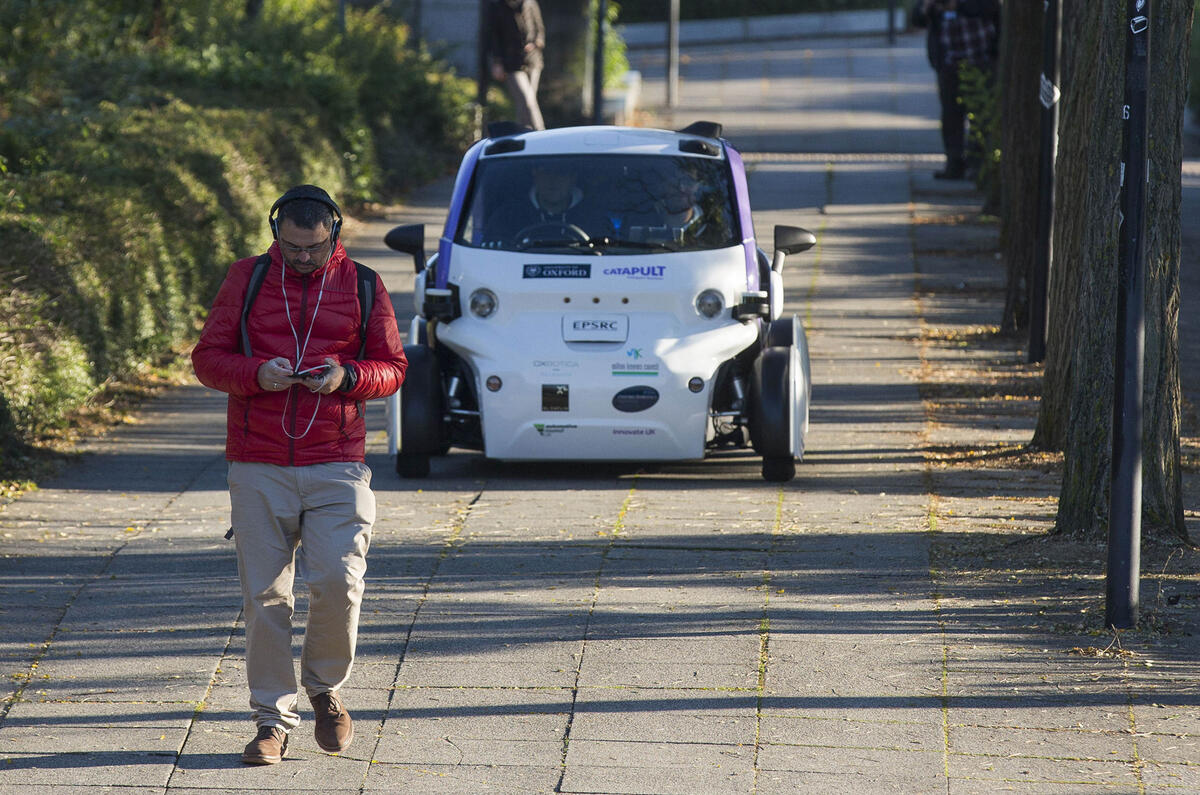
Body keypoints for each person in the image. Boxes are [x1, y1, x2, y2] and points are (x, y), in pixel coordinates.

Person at [191, 185, 407, 765]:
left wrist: (346, 376)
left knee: (339, 582)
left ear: (332, 234)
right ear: (275, 232)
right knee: (265, 597)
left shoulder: (363, 282)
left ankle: (325, 691)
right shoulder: (248, 277)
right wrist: (257, 374)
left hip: (337, 461)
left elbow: (393, 368)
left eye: (312, 248)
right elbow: (207, 359)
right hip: (258, 462)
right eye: (289, 246)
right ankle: (270, 720)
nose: (301, 257)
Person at [911, 0, 1001, 180]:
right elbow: (917, 19)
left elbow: (992, 9)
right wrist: (926, 8)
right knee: (951, 116)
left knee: (981, 116)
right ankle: (954, 164)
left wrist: (957, 6)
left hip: (980, 61)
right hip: (949, 64)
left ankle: (978, 166)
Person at [484, 162, 596, 245]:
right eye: (546, 171)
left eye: (561, 173)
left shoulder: (594, 218)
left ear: (573, 178)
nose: (553, 180)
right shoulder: (507, 217)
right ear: (535, 174)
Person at [487, 0, 546, 131]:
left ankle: (525, 139)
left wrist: (535, 43)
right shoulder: (498, 6)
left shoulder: (530, 3)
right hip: (512, 62)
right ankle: (541, 134)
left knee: (524, 105)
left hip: (533, 60)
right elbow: (494, 37)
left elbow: (540, 30)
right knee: (527, 101)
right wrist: (497, 62)